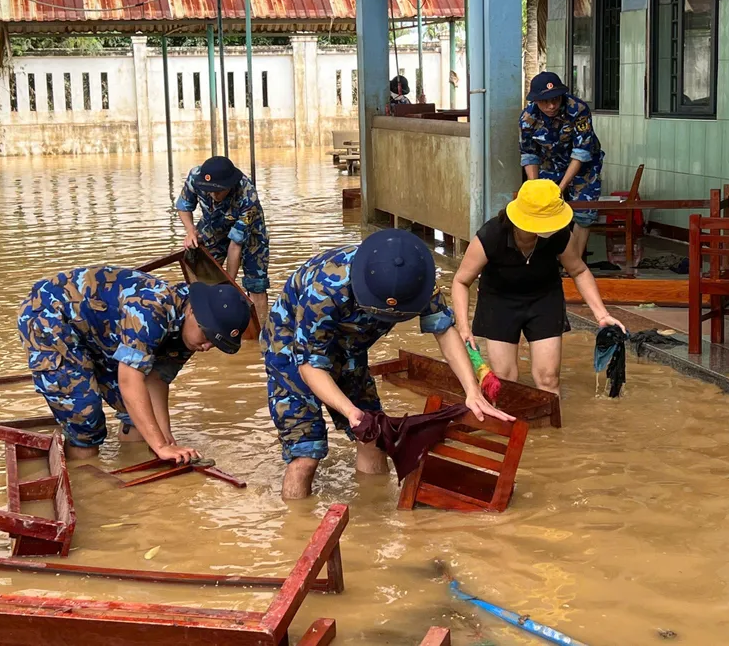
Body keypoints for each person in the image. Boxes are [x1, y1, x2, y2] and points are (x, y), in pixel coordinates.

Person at [262, 228, 514, 500]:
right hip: (290, 346)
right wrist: (349, 410)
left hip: (351, 347)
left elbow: (443, 330)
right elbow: (310, 366)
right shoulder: (325, 290)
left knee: (372, 436)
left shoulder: (417, 280)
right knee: (306, 453)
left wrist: (472, 391)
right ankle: (297, 521)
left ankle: (375, 511)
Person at [18, 266, 252, 462]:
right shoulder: (153, 310)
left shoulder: (191, 334)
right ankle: (84, 476)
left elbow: (156, 379)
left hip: (98, 333)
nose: (207, 346)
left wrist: (166, 438)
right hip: (51, 317)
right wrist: (161, 446)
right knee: (85, 420)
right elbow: (129, 381)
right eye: (207, 336)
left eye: (215, 343)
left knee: (140, 421)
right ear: (192, 312)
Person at [451, 179, 625, 395]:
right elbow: (461, 281)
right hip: (499, 301)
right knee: (506, 378)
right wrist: (463, 327)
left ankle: (550, 418)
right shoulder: (491, 235)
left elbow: (579, 271)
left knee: (548, 378)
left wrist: (602, 315)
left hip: (544, 299)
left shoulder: (559, 234)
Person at [519, 71, 604, 260]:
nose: (551, 106)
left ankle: (574, 265)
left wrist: (561, 188)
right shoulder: (527, 118)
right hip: (550, 164)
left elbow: (581, 152)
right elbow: (529, 154)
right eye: (545, 102)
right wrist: (535, 187)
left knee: (583, 213)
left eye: (555, 100)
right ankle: (546, 261)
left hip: (584, 166)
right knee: (544, 209)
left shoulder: (578, 109)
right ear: (536, 101)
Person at [177, 155, 269, 323]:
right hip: (213, 227)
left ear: (230, 185)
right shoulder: (196, 177)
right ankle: (204, 323)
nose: (214, 195)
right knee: (202, 274)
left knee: (256, 284)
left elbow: (235, 245)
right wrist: (190, 231)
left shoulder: (248, 197)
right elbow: (184, 207)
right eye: (209, 190)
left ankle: (261, 330)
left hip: (250, 233)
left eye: (219, 190)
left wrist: (229, 285)